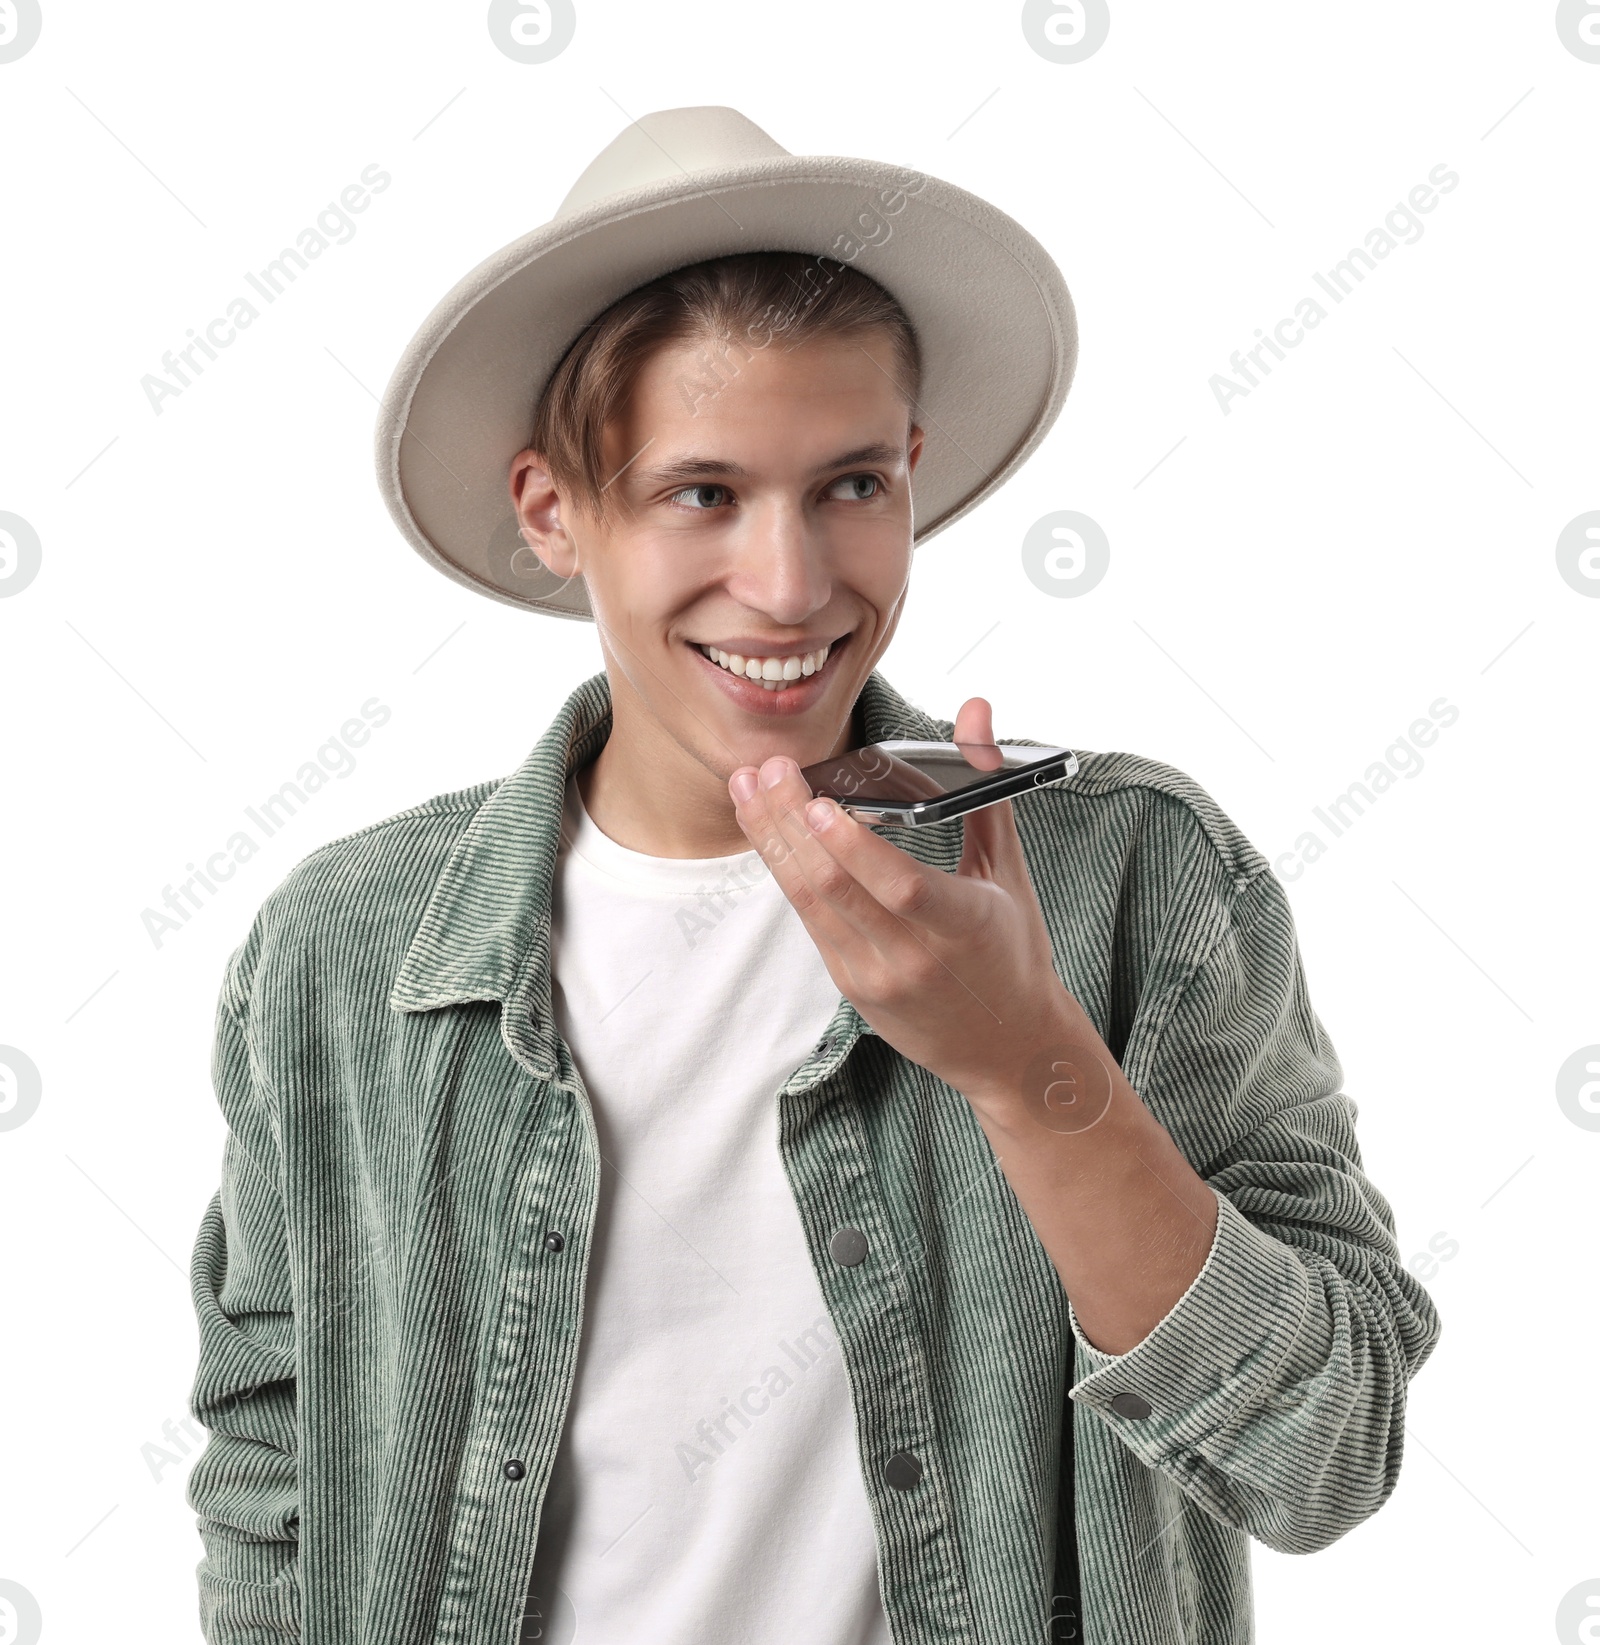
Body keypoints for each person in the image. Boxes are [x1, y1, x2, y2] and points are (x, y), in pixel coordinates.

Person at [185, 107, 1441, 1645]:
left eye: (850, 484)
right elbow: (271, 1480)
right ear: (551, 512)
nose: (790, 584)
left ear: (914, 470)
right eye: (701, 494)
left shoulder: (1132, 880)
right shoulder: (342, 951)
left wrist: (1029, 1062)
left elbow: (1326, 1453)